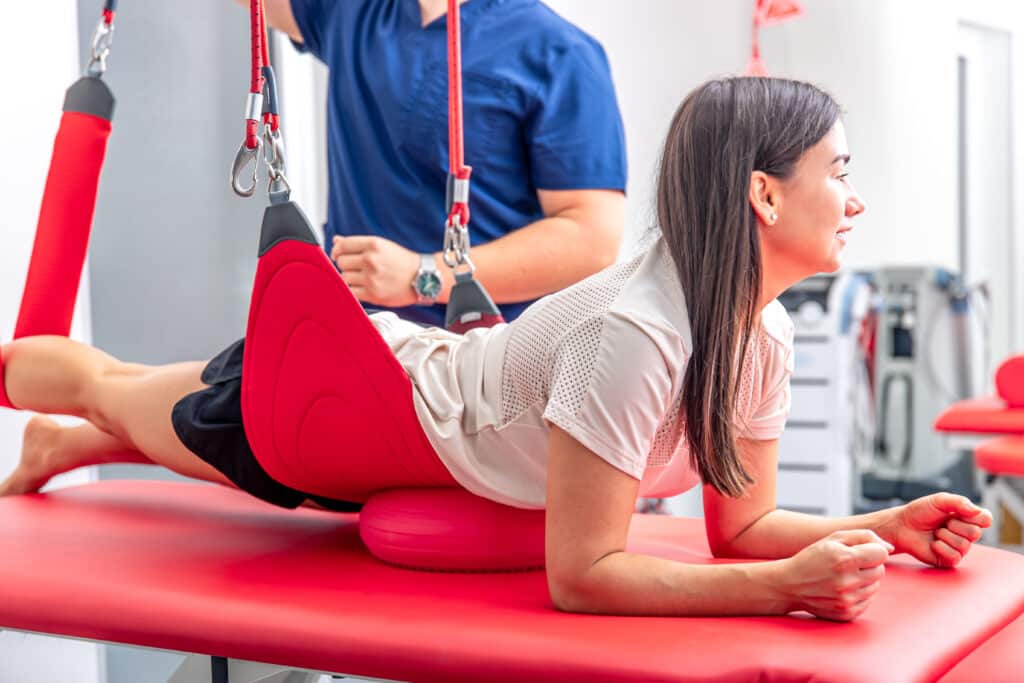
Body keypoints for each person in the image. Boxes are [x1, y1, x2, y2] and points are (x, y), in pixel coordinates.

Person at [0, 77, 991, 622]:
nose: (855, 198)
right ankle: (30, 392)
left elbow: (743, 524)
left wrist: (882, 521)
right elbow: (585, 573)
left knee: (115, 405)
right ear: (763, 194)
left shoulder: (757, 330)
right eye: (839, 172)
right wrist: (782, 586)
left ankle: (63, 447)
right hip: (339, 405)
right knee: (100, 378)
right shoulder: (636, 332)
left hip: (424, 428)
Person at [249, 0, 628, 326]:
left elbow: (592, 238)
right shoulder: (355, 11)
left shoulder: (558, 54)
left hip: (476, 362)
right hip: (355, 337)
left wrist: (425, 275)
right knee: (193, 396)